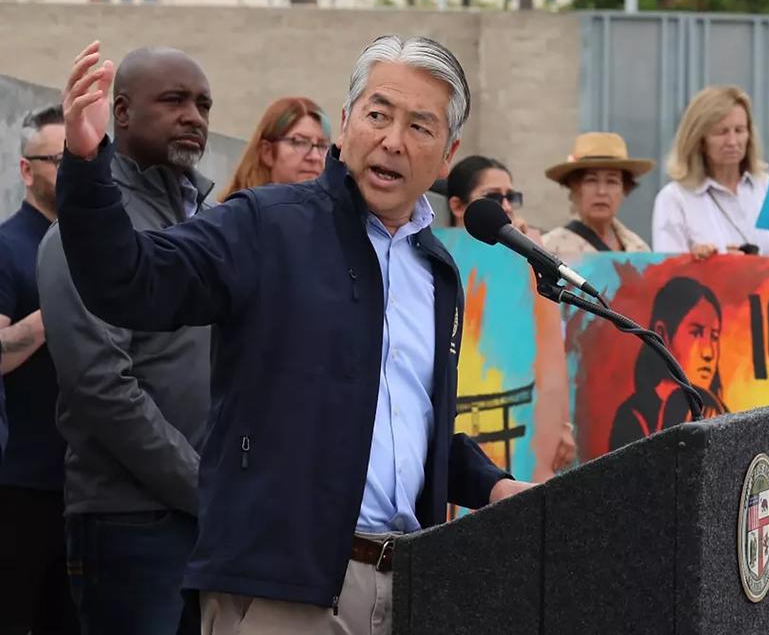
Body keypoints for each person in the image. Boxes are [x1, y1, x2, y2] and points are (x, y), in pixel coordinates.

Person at [57, 36, 530, 635]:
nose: (392, 140)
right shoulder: (265, 224)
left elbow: (411, 422)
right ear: (346, 121)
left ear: (447, 153)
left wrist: (493, 485)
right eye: (378, 114)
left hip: (409, 582)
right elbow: (127, 281)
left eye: (420, 125)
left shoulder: (437, 271)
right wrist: (84, 159)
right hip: (280, 590)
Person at [37, 46, 217, 635]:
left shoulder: (203, 223)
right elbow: (101, 385)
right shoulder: (82, 234)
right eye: (174, 100)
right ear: (120, 111)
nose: (194, 115)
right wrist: (202, 485)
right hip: (130, 523)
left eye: (203, 104)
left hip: (208, 516)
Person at [443, 155, 576, 477]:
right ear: (458, 206)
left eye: (510, 197)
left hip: (518, 428)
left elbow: (550, 349)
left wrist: (562, 424)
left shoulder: (529, 252)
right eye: (493, 197)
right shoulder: (435, 256)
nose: (505, 205)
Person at [0, 104, 79, 635]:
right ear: (27, 170)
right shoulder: (7, 246)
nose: (70, 170)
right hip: (21, 485)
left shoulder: (91, 243)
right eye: (58, 159)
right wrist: (56, 310)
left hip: (87, 486)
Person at [652, 85, 769, 259]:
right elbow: (668, 275)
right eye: (721, 132)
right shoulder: (675, 199)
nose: (732, 141)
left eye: (739, 130)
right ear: (699, 139)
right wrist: (717, 266)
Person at [609, 276, 727, 451]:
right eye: (696, 333)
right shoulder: (633, 418)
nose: (709, 352)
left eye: (714, 337)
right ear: (662, 333)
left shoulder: (716, 410)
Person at [541, 132, 653, 262]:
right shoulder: (548, 249)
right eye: (591, 180)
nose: (602, 191)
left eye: (612, 181)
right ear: (574, 188)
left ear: (624, 189)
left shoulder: (640, 250)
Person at [219, 96, 332, 197]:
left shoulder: (335, 215)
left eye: (323, 145)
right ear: (267, 151)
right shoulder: (236, 214)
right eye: (299, 142)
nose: (315, 156)